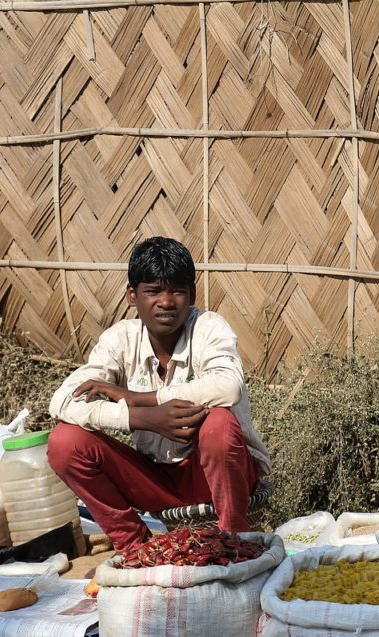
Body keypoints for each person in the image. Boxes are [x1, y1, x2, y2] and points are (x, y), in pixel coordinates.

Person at [47, 236, 271, 553]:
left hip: (218, 475)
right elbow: (62, 401)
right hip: (156, 480)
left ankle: (234, 539)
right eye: (152, 291)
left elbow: (228, 386)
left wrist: (143, 399)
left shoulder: (208, 327)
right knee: (64, 442)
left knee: (218, 423)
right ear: (132, 295)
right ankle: (136, 546)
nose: (166, 302)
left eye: (177, 291)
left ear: (191, 295)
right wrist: (140, 419)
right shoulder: (120, 340)